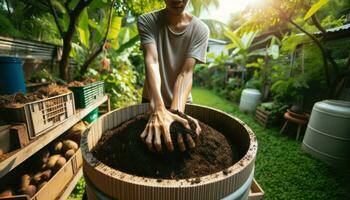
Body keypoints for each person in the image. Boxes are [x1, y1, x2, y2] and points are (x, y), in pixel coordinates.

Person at [137, 0, 209, 152]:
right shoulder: (147, 21)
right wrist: (158, 108)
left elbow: (186, 72)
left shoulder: (200, 29)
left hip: (182, 102)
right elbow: (152, 61)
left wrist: (175, 115)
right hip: (152, 100)